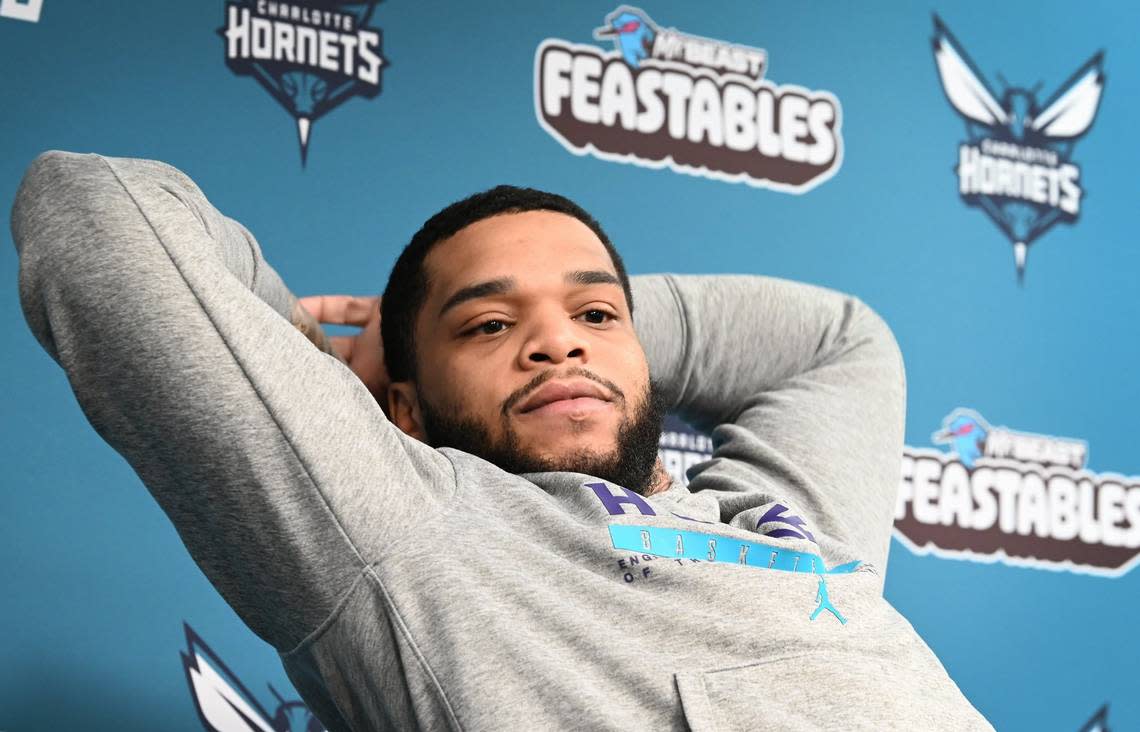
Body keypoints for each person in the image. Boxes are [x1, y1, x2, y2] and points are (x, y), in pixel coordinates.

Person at [12, 151, 992, 731]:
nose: (558, 339)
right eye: (487, 325)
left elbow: (837, 344)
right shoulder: (407, 530)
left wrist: (572, 321)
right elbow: (92, 208)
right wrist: (313, 363)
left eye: (596, 315)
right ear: (403, 408)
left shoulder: (799, 535)